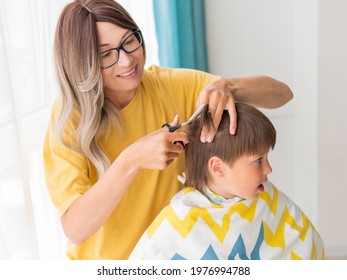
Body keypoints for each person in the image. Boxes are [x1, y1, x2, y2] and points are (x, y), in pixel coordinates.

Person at [43, 0, 293, 260]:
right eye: (106, 54)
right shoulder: (68, 120)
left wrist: (228, 86)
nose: (127, 60)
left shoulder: (171, 86)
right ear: (82, 63)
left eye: (130, 40)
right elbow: (76, 229)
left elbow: (282, 94)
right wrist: (133, 159)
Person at [129, 103, 324, 260]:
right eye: (258, 160)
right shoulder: (180, 224)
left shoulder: (266, 198)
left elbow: (303, 244)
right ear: (218, 168)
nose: (269, 169)